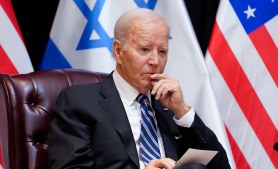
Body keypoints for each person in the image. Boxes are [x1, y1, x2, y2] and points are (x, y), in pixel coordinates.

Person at [48, 8, 231, 169]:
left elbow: (218, 165)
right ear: (119, 51)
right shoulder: (80, 102)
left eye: (162, 52)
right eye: (144, 49)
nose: (155, 61)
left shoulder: (167, 108)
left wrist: (182, 111)